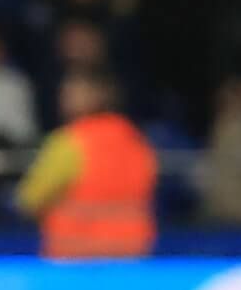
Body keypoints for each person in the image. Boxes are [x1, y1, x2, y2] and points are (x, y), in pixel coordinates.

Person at [13, 65, 157, 259]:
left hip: (75, 258)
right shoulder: (135, 140)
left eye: (72, 91)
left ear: (97, 95)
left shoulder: (70, 142)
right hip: (131, 255)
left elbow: (30, 199)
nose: (64, 97)